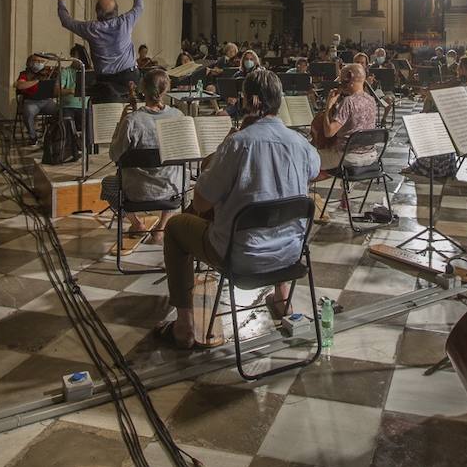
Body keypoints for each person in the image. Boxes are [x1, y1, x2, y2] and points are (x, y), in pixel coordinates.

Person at [158, 70, 320, 349]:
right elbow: (315, 171)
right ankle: (282, 298)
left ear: (249, 100)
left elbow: (200, 203)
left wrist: (225, 147)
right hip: (291, 253)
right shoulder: (300, 144)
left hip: (242, 256)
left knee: (174, 227)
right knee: (277, 211)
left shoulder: (238, 143)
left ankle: (183, 326)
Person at [107, 68, 185, 245]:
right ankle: (160, 230)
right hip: (170, 189)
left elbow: (114, 155)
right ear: (165, 90)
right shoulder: (178, 116)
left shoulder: (132, 120)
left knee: (108, 184)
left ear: (143, 89)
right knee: (184, 175)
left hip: (137, 192)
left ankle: (137, 224)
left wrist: (121, 122)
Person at [55, 0, 142, 95]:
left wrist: (61, 1)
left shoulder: (91, 28)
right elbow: (139, 6)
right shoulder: (125, 21)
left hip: (105, 81)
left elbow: (67, 21)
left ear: (97, 12)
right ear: (116, 10)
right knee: (130, 108)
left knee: (104, 112)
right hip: (129, 77)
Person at [313, 62, 378, 174]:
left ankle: (304, 190)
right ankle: (344, 190)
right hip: (371, 156)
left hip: (348, 157)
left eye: (342, 79)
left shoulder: (348, 102)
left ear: (349, 77)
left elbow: (329, 132)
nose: (340, 83)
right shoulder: (371, 100)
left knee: (306, 157)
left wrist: (328, 106)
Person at [15, 54, 58, 146]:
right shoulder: (24, 74)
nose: (39, 64)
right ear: (30, 63)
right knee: (28, 114)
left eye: (41, 62)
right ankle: (33, 137)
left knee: (61, 111)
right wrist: (37, 81)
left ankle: (52, 133)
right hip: (31, 101)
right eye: (36, 61)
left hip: (46, 101)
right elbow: (20, 85)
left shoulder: (47, 72)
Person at [58, 44, 92, 138]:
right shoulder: (65, 71)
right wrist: (71, 90)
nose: (77, 59)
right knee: (67, 123)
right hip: (68, 106)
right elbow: (57, 91)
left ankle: (86, 145)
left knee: (92, 121)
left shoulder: (89, 72)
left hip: (85, 106)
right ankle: (69, 145)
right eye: (75, 57)